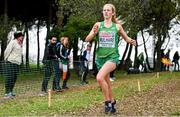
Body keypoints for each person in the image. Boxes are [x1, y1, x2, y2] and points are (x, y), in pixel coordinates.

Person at [85, 4, 136, 114]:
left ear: (112, 13)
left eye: (108, 10)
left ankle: (107, 102)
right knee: (106, 82)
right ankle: (112, 102)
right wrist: (94, 33)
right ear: (102, 12)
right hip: (100, 58)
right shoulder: (98, 25)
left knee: (99, 78)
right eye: (104, 10)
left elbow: (126, 38)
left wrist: (131, 41)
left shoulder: (117, 27)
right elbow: (87, 39)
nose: (106, 12)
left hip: (112, 57)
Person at [3, 31, 24, 98]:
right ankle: (7, 93)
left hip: (17, 63)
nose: (22, 37)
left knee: (14, 78)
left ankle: (11, 91)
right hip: (11, 62)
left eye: (22, 36)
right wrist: (6, 60)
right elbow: (6, 51)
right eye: (21, 36)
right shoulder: (13, 42)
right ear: (18, 36)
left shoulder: (20, 43)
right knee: (10, 77)